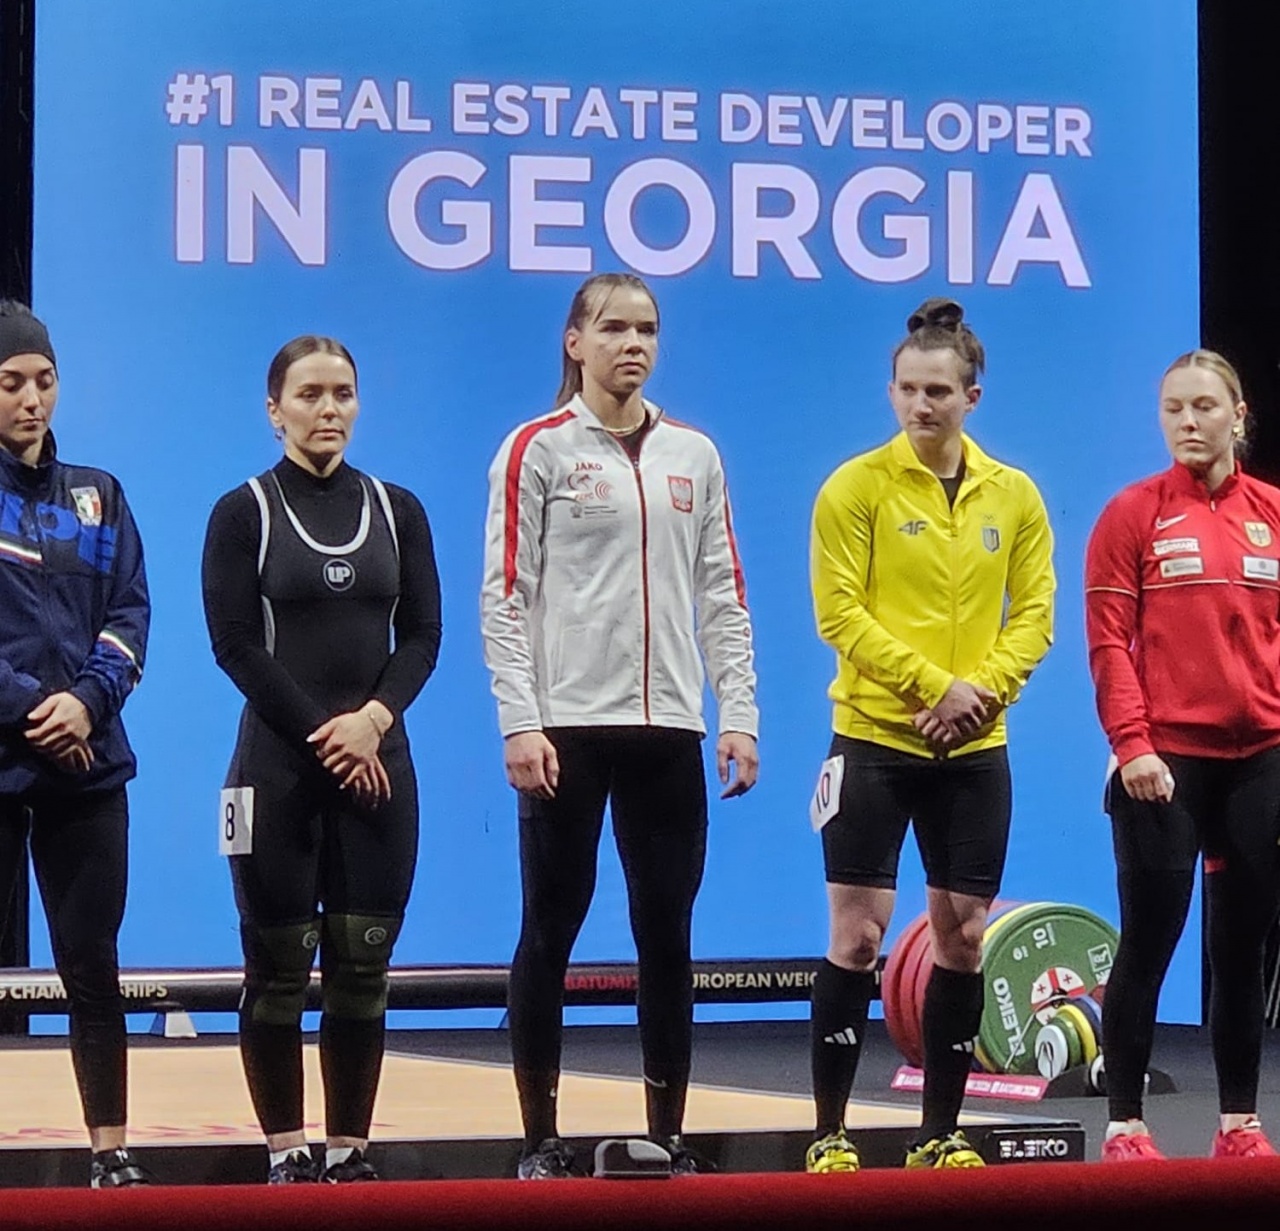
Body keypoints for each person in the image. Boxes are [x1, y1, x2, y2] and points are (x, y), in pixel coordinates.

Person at [480, 272, 759, 1179]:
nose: (632, 344)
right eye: (612, 328)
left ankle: (667, 1133)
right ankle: (539, 1138)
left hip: (669, 728)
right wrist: (520, 721)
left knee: (667, 935)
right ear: (575, 341)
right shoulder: (536, 448)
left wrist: (738, 712)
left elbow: (722, 593)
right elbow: (504, 595)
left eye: (646, 329)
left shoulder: (694, 454)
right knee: (548, 931)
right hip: (565, 728)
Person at [806, 298, 1054, 1172]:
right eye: (908, 388)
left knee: (965, 934)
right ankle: (829, 1131)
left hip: (973, 749)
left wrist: (979, 694)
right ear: (891, 391)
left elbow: (1035, 613)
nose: (921, 404)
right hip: (874, 739)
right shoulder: (854, 487)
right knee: (858, 938)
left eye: (939, 391)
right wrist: (932, 686)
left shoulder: (1014, 494)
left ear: (971, 397)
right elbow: (840, 613)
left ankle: (939, 1133)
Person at [202, 336, 441, 1183]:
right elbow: (235, 644)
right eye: (309, 394)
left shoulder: (398, 509)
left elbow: (423, 635)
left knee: (362, 968)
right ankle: (286, 1153)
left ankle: (349, 1152)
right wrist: (328, 734)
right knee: (276, 972)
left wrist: (372, 721)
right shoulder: (243, 512)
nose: (328, 408)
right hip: (277, 771)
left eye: (342, 392)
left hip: (379, 767)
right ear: (275, 410)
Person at [1086, 349, 1280, 1162]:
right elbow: (1108, 644)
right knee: (1150, 941)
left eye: (1204, 406)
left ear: (1238, 415)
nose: (1188, 422)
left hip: (1259, 758)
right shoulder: (1132, 513)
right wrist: (1132, 744)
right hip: (1163, 762)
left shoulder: (1272, 512)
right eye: (1173, 408)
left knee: (1242, 949)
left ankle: (1239, 1124)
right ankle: (1126, 1125)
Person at [0, 300, 150, 1187]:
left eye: (44, 380)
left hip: (88, 765)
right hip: (8, 755)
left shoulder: (99, 494)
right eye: (11, 382)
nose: (31, 399)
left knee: (93, 966)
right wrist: (35, 709)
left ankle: (110, 1151)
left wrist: (88, 705)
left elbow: (129, 613)